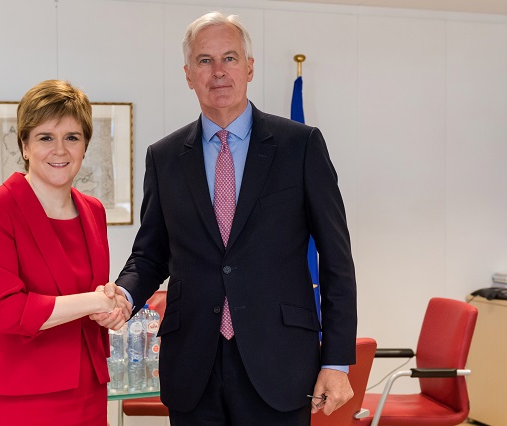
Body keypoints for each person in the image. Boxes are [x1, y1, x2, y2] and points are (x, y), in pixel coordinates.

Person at [94, 11, 357, 425]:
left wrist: (337, 361)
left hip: (280, 360)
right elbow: (150, 254)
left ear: (249, 67)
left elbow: (337, 260)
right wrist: (124, 297)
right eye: (204, 61)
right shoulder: (163, 158)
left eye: (230, 58)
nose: (218, 72)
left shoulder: (300, 146)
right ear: (188, 74)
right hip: (193, 365)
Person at [0, 79, 130, 425]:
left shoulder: (93, 210)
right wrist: (95, 301)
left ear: (85, 146)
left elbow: (92, 294)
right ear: (25, 145)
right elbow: (8, 311)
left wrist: (110, 309)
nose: (60, 150)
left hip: (87, 389)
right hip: (18, 392)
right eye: (45, 137)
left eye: (72, 137)